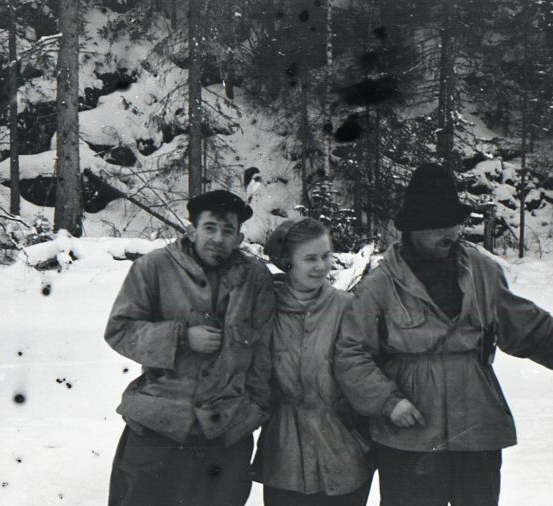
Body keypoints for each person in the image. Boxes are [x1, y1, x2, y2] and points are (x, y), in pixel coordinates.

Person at [334, 162, 553, 506]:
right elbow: (351, 355)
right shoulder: (378, 286)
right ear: (413, 229)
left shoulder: (483, 271)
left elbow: (533, 330)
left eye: (454, 221)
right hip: (409, 439)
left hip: (477, 430)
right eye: (439, 224)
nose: (452, 231)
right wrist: (387, 402)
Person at [104, 189, 275, 506]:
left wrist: (253, 410)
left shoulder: (255, 279)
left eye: (227, 231)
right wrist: (181, 338)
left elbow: (263, 356)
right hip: (158, 427)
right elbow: (119, 330)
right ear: (191, 229)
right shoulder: (153, 268)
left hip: (225, 433)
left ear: (238, 238)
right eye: (210, 228)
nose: (218, 239)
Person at [252, 218, 374, 506]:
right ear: (288, 262)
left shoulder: (347, 307)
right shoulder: (266, 309)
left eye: (325, 256)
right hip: (284, 453)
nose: (321, 265)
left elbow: (367, 371)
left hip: (342, 449)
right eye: (310, 258)